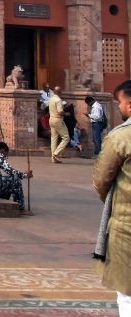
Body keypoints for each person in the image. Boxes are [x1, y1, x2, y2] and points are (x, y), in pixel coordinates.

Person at [93, 80, 131, 316]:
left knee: (127, 291)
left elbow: (101, 180)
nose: (119, 107)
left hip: (126, 223)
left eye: (120, 102)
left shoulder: (120, 138)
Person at [48, 84, 70, 163]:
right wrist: (66, 114)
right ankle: (56, 153)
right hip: (58, 120)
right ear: (60, 92)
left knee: (54, 138)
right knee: (66, 137)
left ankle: (53, 158)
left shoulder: (51, 99)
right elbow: (60, 112)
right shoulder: (58, 100)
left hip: (51, 119)